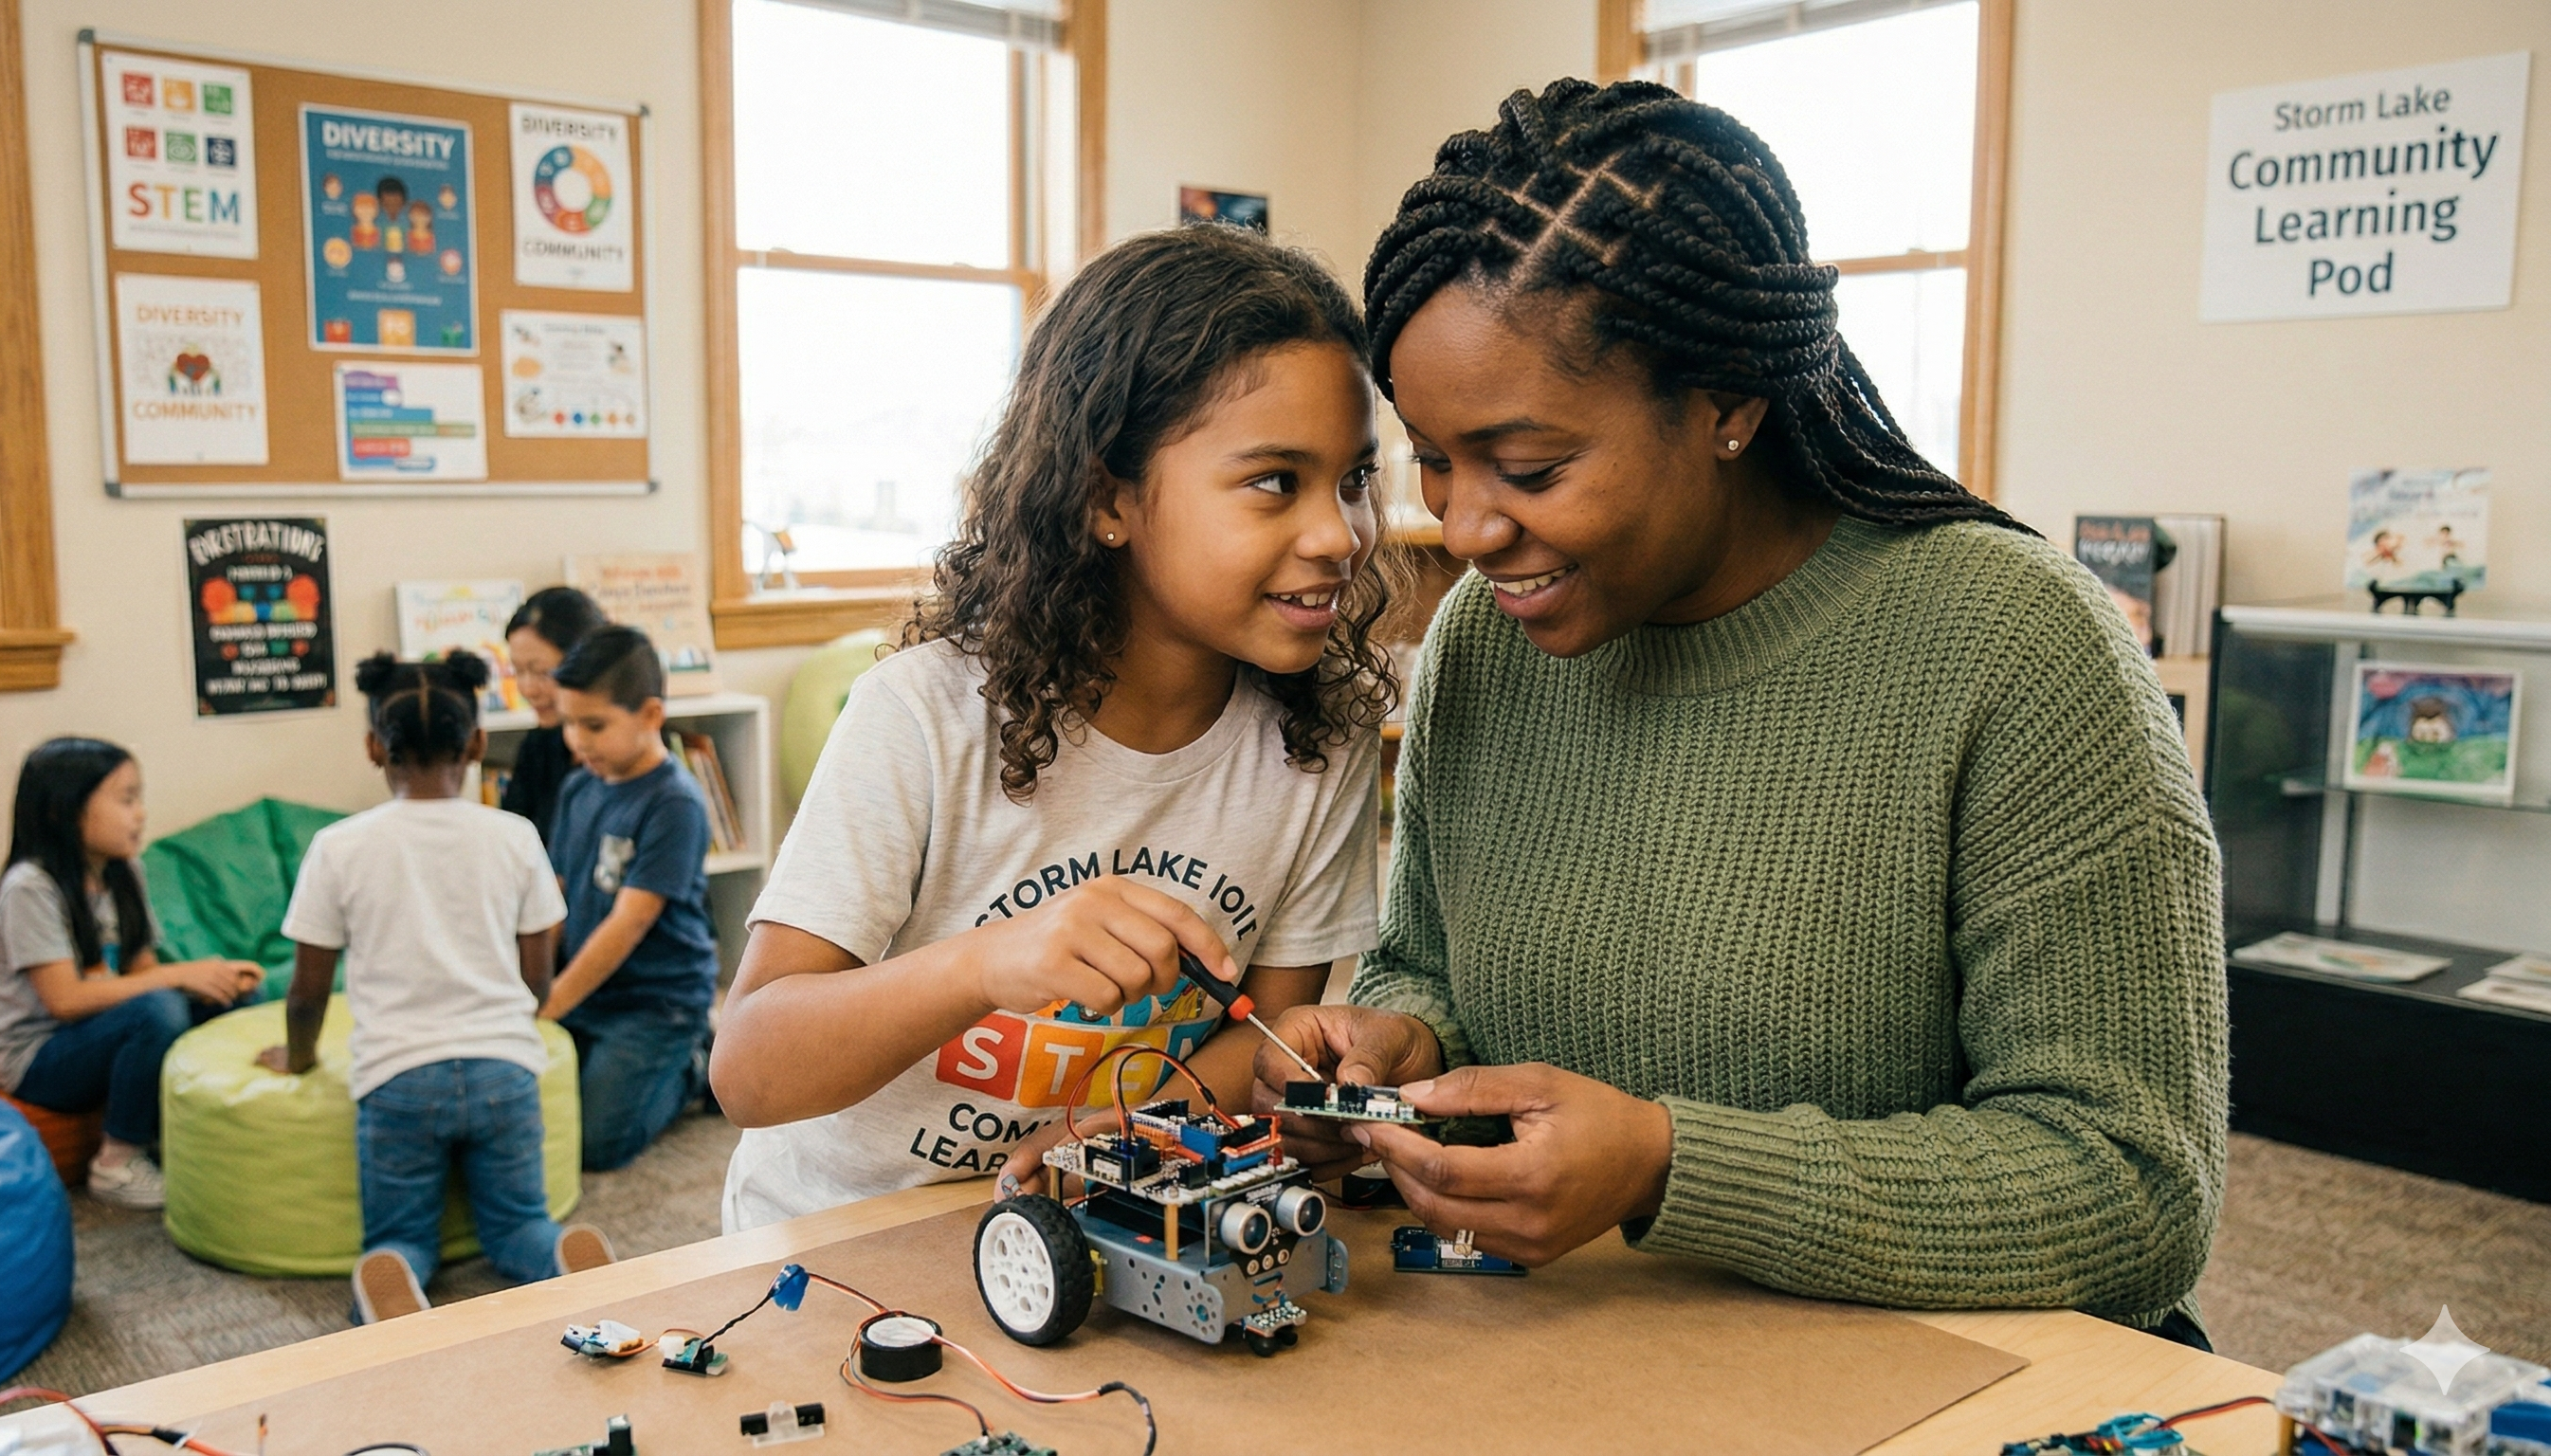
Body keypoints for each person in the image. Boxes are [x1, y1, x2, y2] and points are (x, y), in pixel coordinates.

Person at [1252, 80, 2228, 1347]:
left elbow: (2134, 1190)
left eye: (1531, 467)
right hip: (1588, 1366)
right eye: (1431, 457)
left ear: (1729, 405)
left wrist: (1670, 1168)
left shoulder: (2017, 649)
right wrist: (1396, 1036)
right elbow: (1437, 965)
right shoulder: (1484, 651)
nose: (1472, 525)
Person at [711, 224, 1396, 1232]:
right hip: (846, 1229)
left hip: (1100, 1222)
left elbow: (1265, 1038)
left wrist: (1121, 1133)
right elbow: (751, 1070)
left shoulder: (1318, 740)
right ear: (1106, 497)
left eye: (1351, 481)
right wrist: (984, 962)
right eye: (1272, 482)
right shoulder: (922, 715)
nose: (1338, 535)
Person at [265, 652, 614, 1320]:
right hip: (505, 1072)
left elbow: (307, 991)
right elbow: (537, 973)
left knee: (401, 1234)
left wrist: (299, 1057)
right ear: (477, 743)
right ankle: (558, 1252)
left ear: (374, 747)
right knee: (518, 1228)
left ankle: (393, 1271)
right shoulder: (515, 837)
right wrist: (516, 1019)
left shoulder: (338, 847)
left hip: (398, 1080)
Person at [0, 737, 261, 1209]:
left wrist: (212, 982)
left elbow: (140, 968)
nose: (141, 814)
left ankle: (198, 1139)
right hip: (34, 1056)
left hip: (93, 1032)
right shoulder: (30, 887)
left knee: (236, 995)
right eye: (126, 800)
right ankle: (116, 1163)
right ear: (64, 811)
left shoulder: (126, 872)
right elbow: (64, 1001)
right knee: (158, 1008)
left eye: (139, 798)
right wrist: (178, 977)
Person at [543, 625, 719, 1171]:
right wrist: (533, 988)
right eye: (568, 722)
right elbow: (557, 895)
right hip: (589, 991)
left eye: (594, 725)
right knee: (539, 1112)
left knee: (596, 1145)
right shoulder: (578, 787)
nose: (577, 740)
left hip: (655, 1004)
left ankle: (695, 1064)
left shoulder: (676, 804)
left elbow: (627, 926)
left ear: (650, 715)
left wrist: (548, 1010)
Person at [500, 586, 609, 845]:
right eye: (518, 671)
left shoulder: (624, 748)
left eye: (541, 672)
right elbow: (512, 839)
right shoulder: (538, 745)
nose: (527, 689)